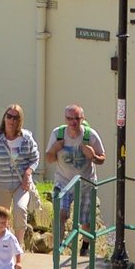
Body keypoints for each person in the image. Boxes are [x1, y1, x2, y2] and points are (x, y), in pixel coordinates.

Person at [46, 105, 104, 256]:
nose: (73, 122)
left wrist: (93, 156)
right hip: (63, 181)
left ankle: (85, 248)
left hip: (86, 183)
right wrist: (54, 149)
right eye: (69, 118)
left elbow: (102, 158)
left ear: (82, 119)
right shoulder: (58, 134)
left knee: (86, 220)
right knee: (61, 213)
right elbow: (49, 159)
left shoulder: (90, 135)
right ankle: (58, 247)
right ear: (65, 119)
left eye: (76, 118)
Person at [0, 105, 40, 246]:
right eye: (9, 116)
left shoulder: (26, 138)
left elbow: (35, 158)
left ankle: (18, 245)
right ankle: (1, 245)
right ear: (4, 118)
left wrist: (28, 173)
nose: (11, 120)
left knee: (20, 208)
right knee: (0, 216)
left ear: (20, 120)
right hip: (1, 184)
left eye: (15, 117)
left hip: (20, 183)